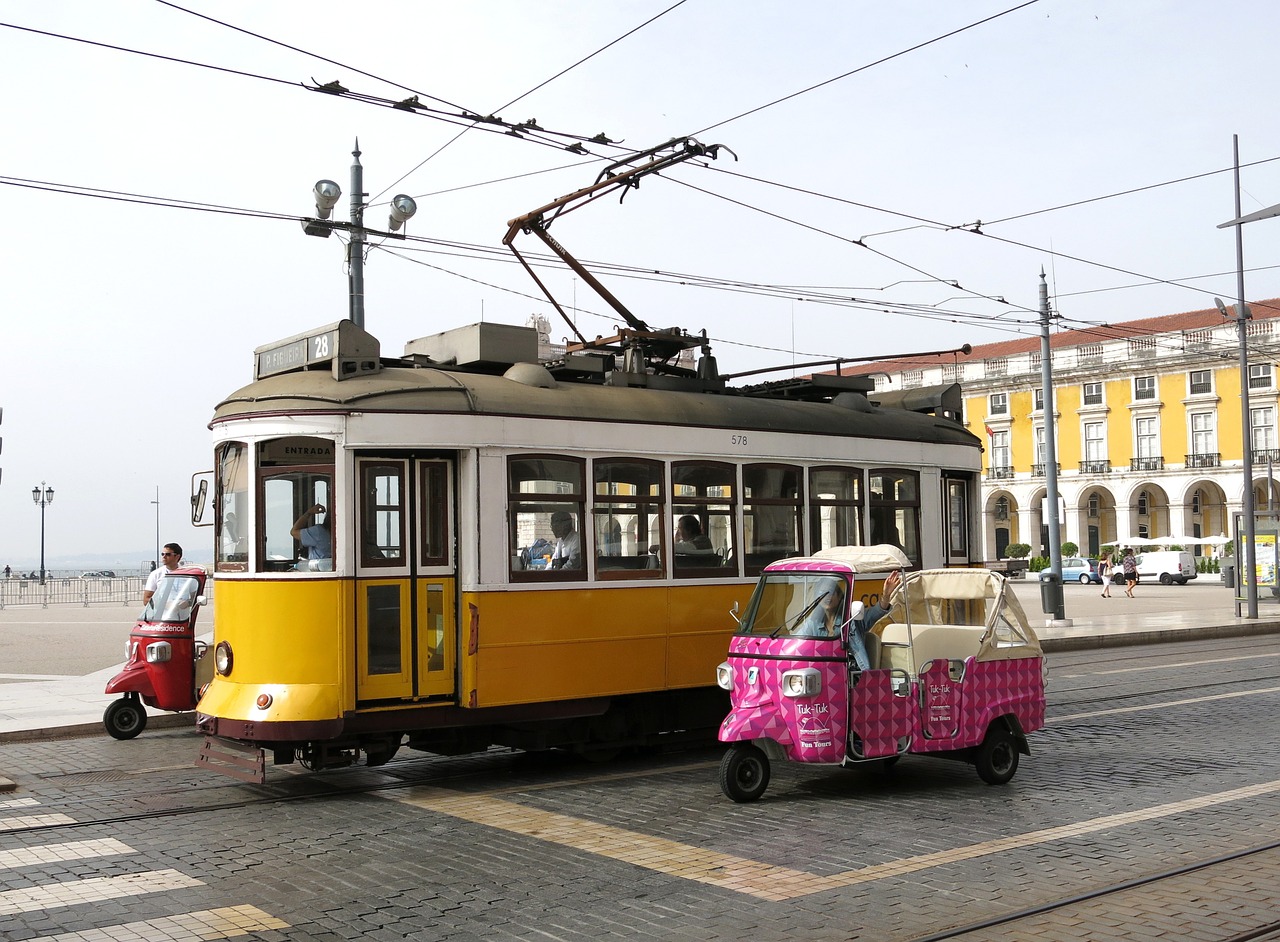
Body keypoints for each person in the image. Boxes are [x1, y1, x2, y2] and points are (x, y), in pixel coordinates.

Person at [291, 503, 333, 570]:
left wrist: (309, 512)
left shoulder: (319, 532)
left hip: (318, 570)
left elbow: (294, 532)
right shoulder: (341, 532)